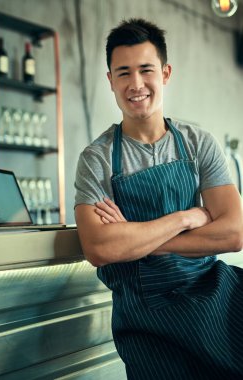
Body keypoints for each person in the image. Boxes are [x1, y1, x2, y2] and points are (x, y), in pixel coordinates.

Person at [74, 18, 243, 380]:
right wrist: (186, 218)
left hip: (213, 295)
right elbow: (100, 248)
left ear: (164, 73)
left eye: (145, 70)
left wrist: (137, 241)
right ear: (110, 81)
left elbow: (233, 233)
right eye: (123, 73)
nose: (136, 84)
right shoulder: (97, 158)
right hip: (144, 316)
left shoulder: (198, 142)